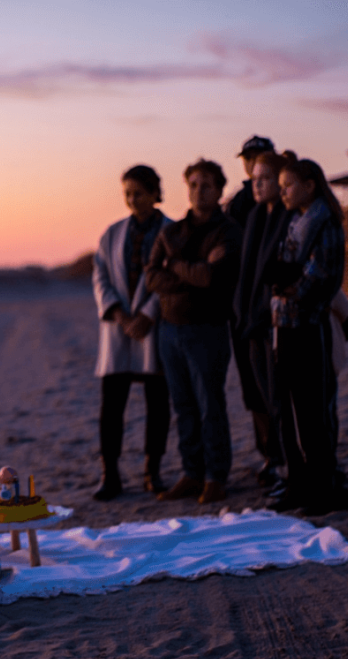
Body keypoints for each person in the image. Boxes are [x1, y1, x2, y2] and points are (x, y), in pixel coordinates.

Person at [145, 159, 241, 504]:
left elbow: (212, 278)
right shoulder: (171, 232)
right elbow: (152, 276)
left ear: (219, 190)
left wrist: (176, 266)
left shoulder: (227, 231)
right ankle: (191, 473)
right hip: (170, 329)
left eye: (207, 185)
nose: (199, 190)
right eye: (194, 184)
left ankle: (216, 476)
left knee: (209, 405)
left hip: (208, 329)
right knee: (183, 406)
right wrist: (191, 272)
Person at [263, 156, 348, 516]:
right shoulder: (298, 221)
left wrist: (284, 282)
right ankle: (298, 484)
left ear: (309, 185)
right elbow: (279, 270)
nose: (282, 192)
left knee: (312, 414)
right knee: (286, 412)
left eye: (287, 185)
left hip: (308, 327)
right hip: (283, 326)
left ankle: (322, 487)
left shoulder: (325, 223)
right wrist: (281, 278)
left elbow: (317, 279)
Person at [91, 165, 172, 501]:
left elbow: (171, 279)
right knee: (112, 406)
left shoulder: (172, 230)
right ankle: (110, 474)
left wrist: (147, 314)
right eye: (127, 193)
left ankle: (152, 472)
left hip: (155, 327)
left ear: (155, 193)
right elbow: (100, 276)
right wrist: (121, 315)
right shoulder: (112, 233)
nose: (132, 199)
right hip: (118, 327)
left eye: (138, 192)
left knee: (158, 402)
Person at [230, 150, 292, 492]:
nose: (258, 184)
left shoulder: (288, 217)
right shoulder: (254, 216)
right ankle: (277, 463)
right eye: (254, 178)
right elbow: (246, 272)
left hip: (277, 324)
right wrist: (243, 314)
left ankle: (288, 468)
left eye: (265, 178)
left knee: (282, 397)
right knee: (263, 398)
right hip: (251, 323)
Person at [226, 135, 276, 227]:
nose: (253, 162)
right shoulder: (239, 199)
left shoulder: (287, 192)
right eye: (248, 158)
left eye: (258, 156)